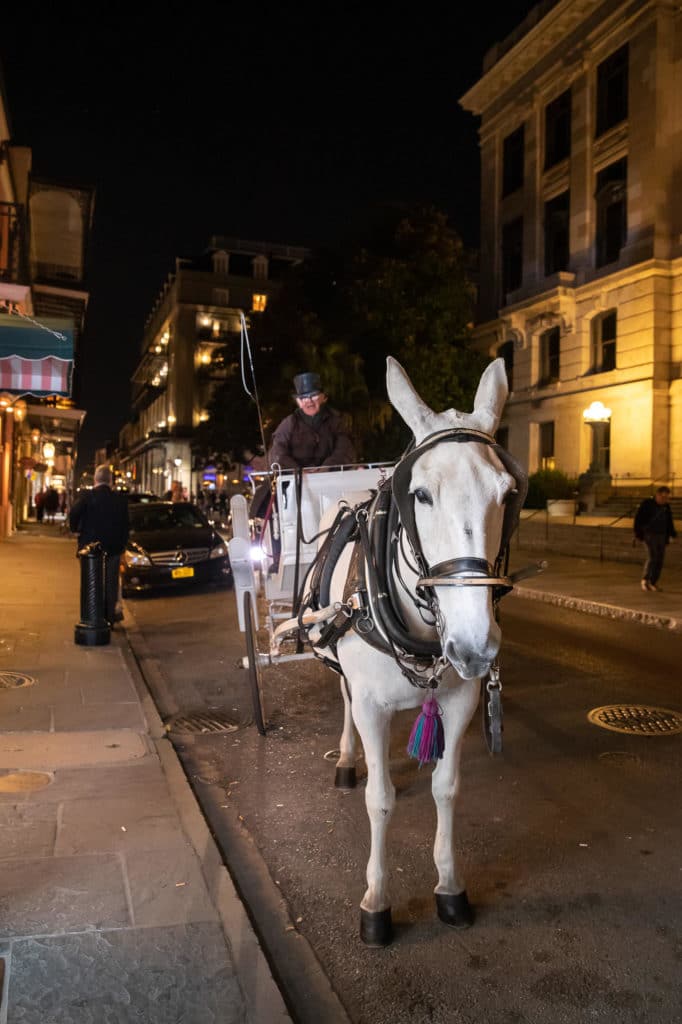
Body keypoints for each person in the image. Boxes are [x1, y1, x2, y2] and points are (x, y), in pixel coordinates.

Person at [69, 464, 130, 625]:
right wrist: (122, 545)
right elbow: (125, 526)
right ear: (110, 481)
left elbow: (74, 513)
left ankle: (92, 616)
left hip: (89, 548)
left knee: (91, 581)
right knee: (111, 583)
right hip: (113, 548)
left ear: (95, 479)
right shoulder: (119, 500)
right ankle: (109, 617)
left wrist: (75, 530)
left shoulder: (86, 497)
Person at [269, 372, 356, 470]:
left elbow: (345, 450)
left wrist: (326, 468)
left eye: (313, 395)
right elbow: (278, 454)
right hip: (298, 477)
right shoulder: (289, 424)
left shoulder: (337, 421)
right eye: (303, 398)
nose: (309, 401)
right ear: (298, 402)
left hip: (331, 475)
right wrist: (299, 471)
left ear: (324, 397)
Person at [634, 485, 677, 591]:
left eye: (667, 497)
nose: (664, 500)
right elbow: (638, 519)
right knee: (652, 557)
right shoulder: (647, 504)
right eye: (663, 497)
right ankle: (645, 580)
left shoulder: (666, 506)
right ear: (657, 495)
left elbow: (669, 521)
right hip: (649, 535)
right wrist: (638, 534)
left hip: (661, 535)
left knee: (660, 559)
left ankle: (653, 582)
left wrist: (672, 534)